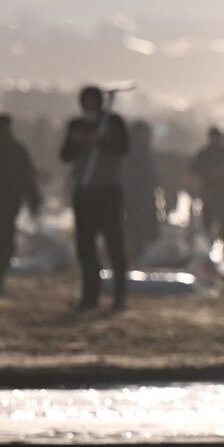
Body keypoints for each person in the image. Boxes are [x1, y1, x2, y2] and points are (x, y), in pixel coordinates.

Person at [60, 85, 131, 310]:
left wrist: (102, 141)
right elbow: (65, 154)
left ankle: (120, 295)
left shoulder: (113, 123)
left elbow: (123, 148)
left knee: (114, 243)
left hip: (108, 190)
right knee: (85, 246)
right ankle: (90, 295)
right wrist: (83, 142)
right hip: (84, 190)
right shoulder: (76, 125)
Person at [0, 114, 41, 293]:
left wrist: (33, 198)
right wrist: (33, 199)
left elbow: (27, 176)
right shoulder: (12, 148)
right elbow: (28, 177)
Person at [191, 127, 224, 254]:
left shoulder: (223, 153)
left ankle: (222, 250)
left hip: (220, 190)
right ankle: (212, 250)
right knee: (210, 221)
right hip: (211, 191)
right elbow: (195, 170)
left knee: (222, 222)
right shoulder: (208, 153)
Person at [122, 120, 163, 264]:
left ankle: (136, 254)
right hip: (137, 195)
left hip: (138, 194)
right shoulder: (138, 149)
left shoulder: (137, 148)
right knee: (138, 226)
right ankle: (136, 255)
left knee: (136, 226)